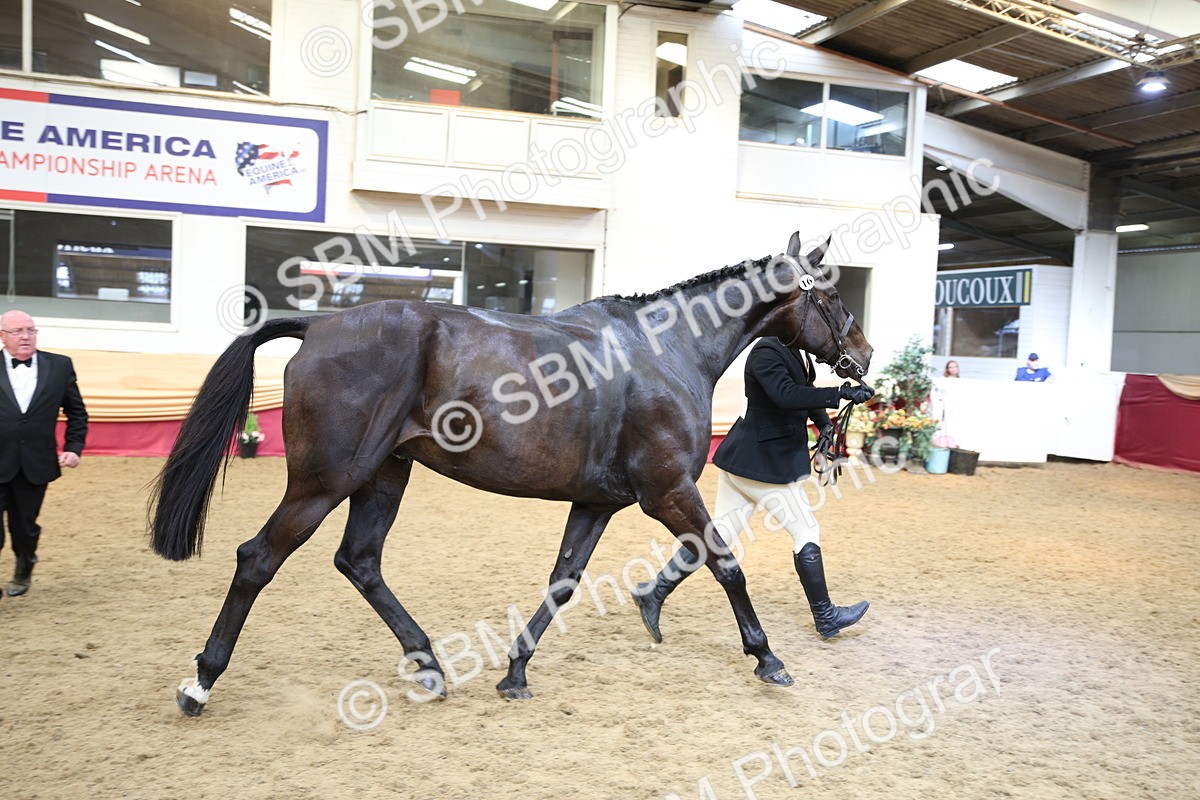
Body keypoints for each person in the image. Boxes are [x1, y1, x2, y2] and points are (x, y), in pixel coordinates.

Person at [632, 337, 875, 642]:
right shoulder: (766, 352)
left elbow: (806, 392)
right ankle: (825, 616)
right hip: (762, 463)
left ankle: (655, 592)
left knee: (718, 536)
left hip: (746, 461)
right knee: (806, 531)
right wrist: (839, 393)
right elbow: (785, 395)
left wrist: (824, 423)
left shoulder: (795, 351)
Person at [0, 311, 88, 597]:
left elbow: (77, 413)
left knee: (24, 528)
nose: (25, 336)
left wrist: (73, 448)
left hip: (35, 463)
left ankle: (25, 565)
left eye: (30, 330)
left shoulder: (60, 366)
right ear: (2, 335)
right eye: (16, 331)